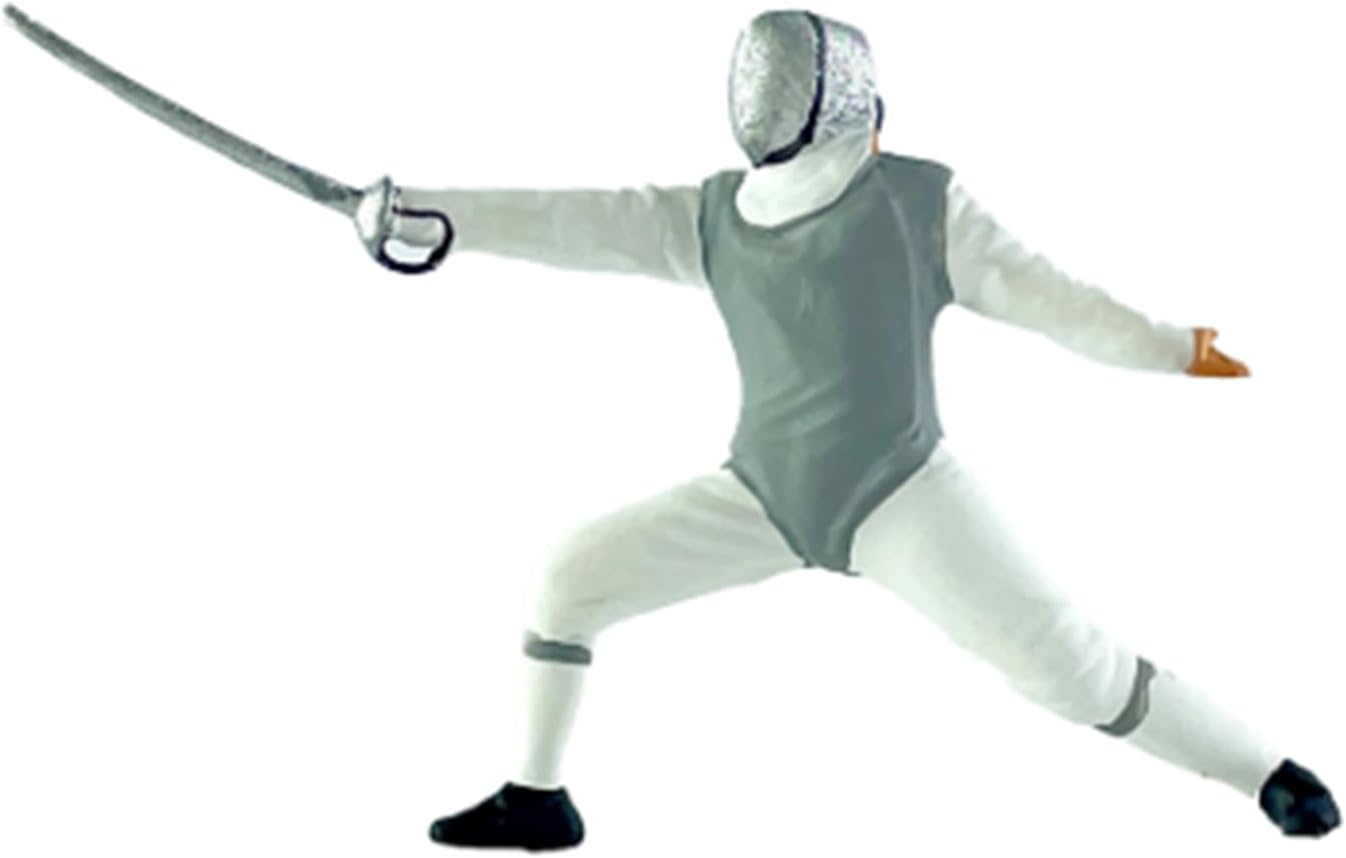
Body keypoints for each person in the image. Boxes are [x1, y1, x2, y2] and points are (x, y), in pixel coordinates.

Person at [354, 9, 1339, 851]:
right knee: (568, 580)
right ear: (855, 105)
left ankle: (1263, 771)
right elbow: (568, 221)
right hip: (762, 494)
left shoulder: (915, 203)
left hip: (902, 493)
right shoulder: (711, 216)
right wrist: (423, 213)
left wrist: (1168, 346)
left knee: (1068, 667)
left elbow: (1048, 297)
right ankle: (537, 801)